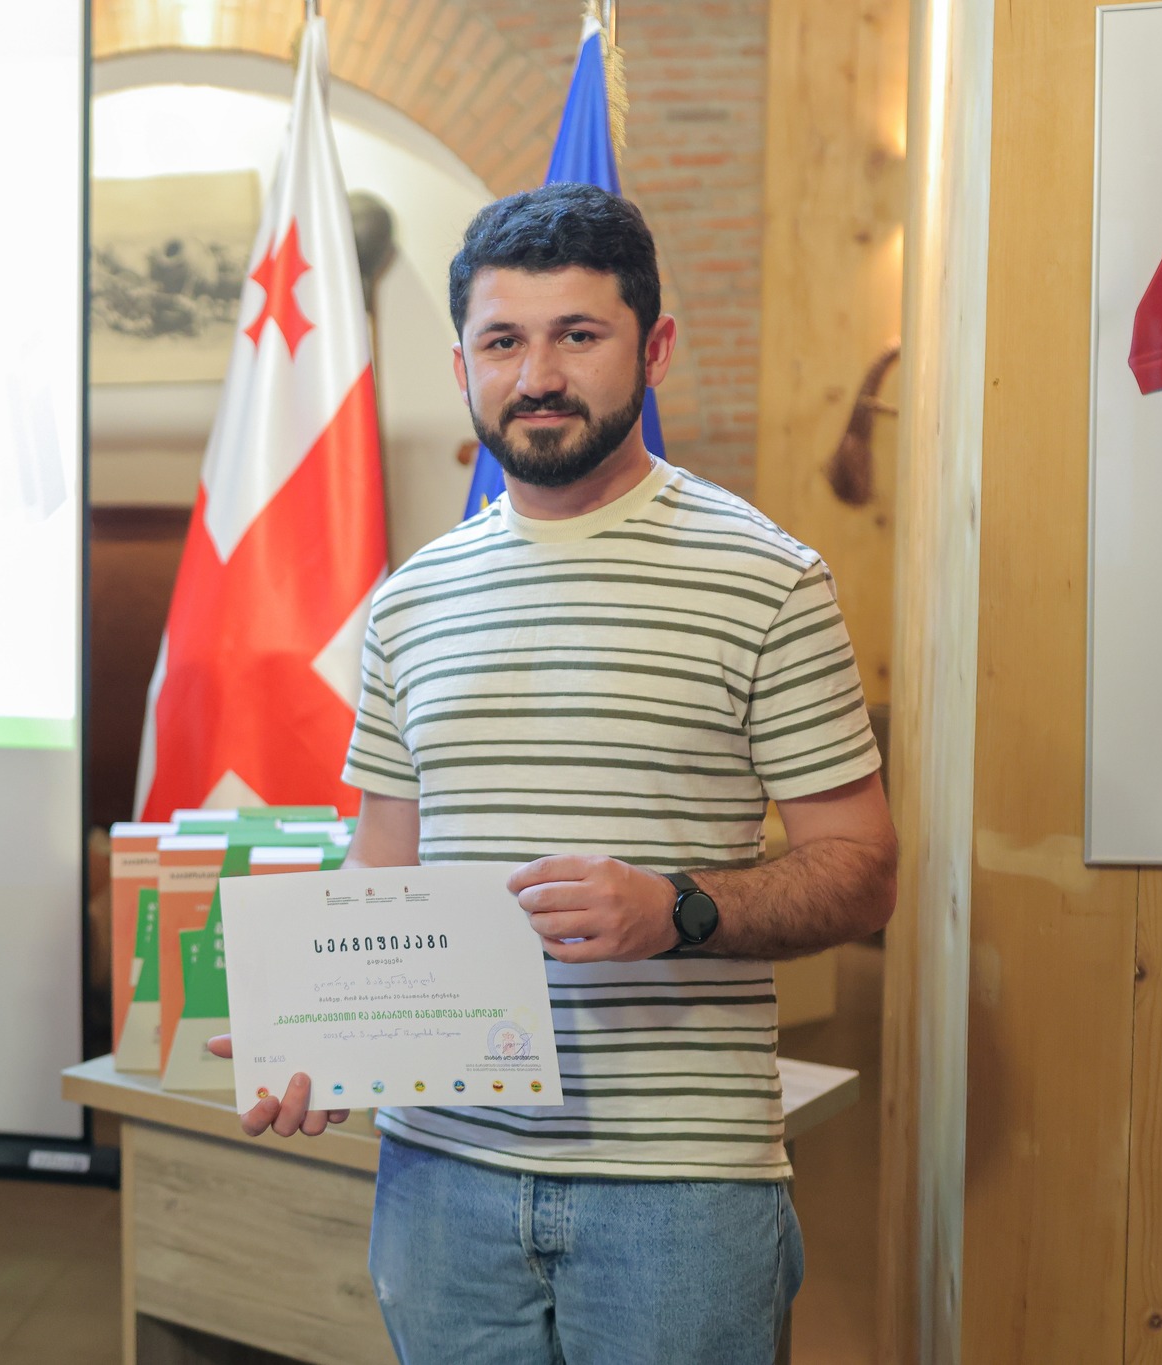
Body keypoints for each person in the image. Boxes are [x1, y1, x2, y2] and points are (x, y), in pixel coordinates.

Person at [212, 184, 898, 1364]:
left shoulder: (768, 580)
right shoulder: (409, 601)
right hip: (438, 1175)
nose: (535, 375)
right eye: (501, 342)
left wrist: (677, 909)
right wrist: (320, 1031)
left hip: (678, 1188)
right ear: (461, 364)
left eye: (576, 335)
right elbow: (382, 862)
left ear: (653, 348)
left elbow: (861, 870)